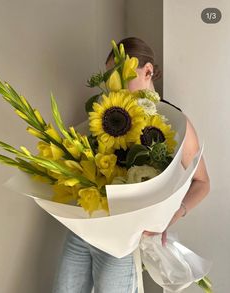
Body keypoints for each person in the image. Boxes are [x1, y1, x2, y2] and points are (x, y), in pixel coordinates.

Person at [52, 37, 210, 293]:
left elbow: (202, 182)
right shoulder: (106, 118)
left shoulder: (173, 121)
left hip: (122, 240)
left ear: (148, 70)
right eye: (110, 78)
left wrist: (171, 216)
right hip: (83, 230)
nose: (114, 86)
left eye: (121, 75)